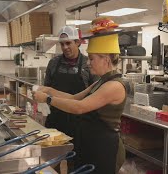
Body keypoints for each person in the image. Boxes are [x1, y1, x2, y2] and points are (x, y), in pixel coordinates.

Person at [33, 17, 126, 174]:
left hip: (104, 149)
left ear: (106, 59)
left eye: (91, 58)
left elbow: (79, 107)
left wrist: (48, 99)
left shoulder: (114, 86)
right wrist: (49, 90)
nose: (88, 63)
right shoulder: (101, 82)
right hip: (90, 143)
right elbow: (73, 98)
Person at [43, 25, 98, 138]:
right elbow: (46, 88)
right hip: (55, 119)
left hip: (80, 121)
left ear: (77, 42)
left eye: (68, 43)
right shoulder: (53, 63)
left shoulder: (88, 64)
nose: (65, 47)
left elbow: (94, 93)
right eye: (62, 44)